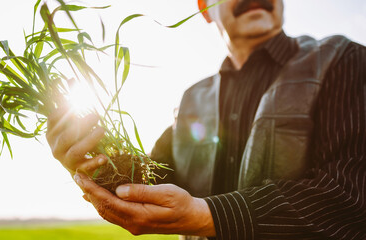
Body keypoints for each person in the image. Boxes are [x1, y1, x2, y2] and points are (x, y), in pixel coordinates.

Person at [46, 0, 366, 239]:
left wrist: (208, 215)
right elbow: (151, 182)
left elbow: (350, 196)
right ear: (205, 8)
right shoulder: (191, 99)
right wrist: (94, 160)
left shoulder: (343, 60)